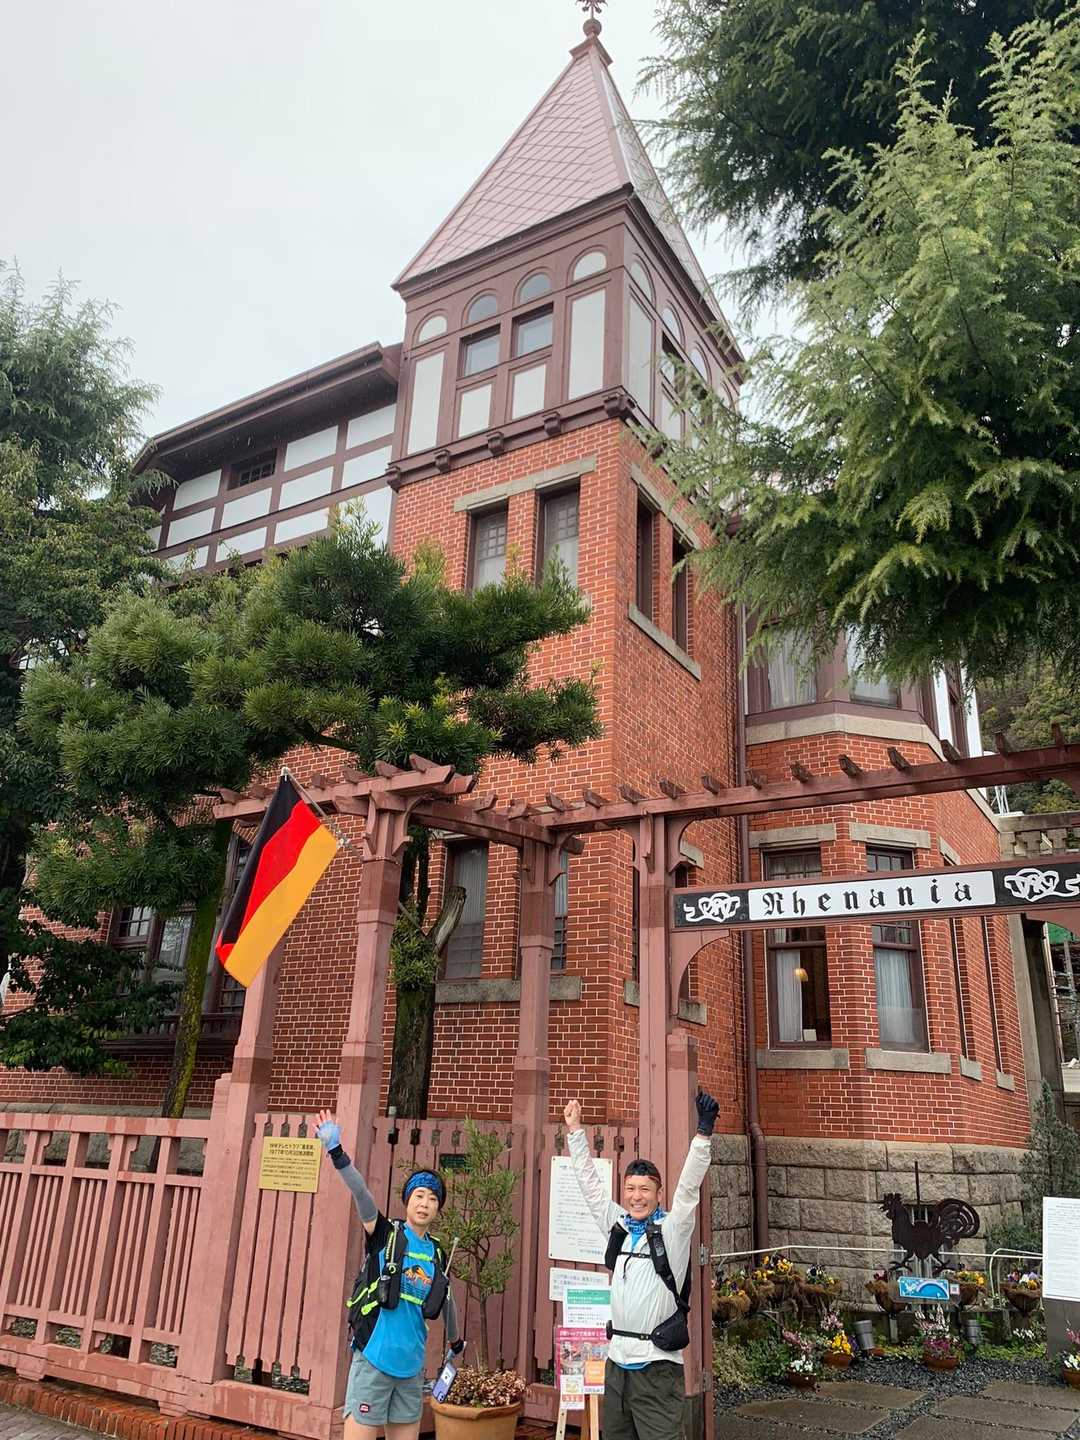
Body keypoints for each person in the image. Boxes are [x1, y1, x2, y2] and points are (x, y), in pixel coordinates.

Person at [562, 1090, 720, 1440]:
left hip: (656, 1367)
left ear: (658, 1194)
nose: (637, 1197)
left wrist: (703, 1134)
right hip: (617, 1365)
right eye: (631, 1189)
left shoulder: (672, 1230)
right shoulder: (617, 1227)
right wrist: (575, 1132)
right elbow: (591, 1188)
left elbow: (688, 1189)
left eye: (645, 1189)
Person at [313, 1108, 463, 1440]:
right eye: (419, 1196)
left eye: (433, 1199)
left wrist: (455, 1342)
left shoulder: (437, 1253)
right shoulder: (386, 1234)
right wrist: (336, 1151)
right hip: (373, 1360)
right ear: (408, 1201)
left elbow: (447, 1300)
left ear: (438, 1208)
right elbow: (361, 1193)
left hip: (411, 1369)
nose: (425, 1203)